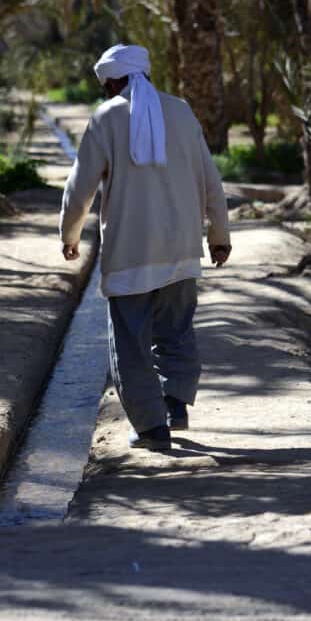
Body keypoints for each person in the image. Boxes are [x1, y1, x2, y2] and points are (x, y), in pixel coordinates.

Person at [59, 43, 231, 451]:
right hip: (183, 247)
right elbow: (210, 178)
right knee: (176, 330)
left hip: (131, 252)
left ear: (113, 81)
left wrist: (69, 235)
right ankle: (175, 403)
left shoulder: (106, 117)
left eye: (106, 86)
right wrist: (219, 235)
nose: (107, 93)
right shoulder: (183, 111)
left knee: (131, 343)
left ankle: (153, 428)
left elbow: (79, 187)